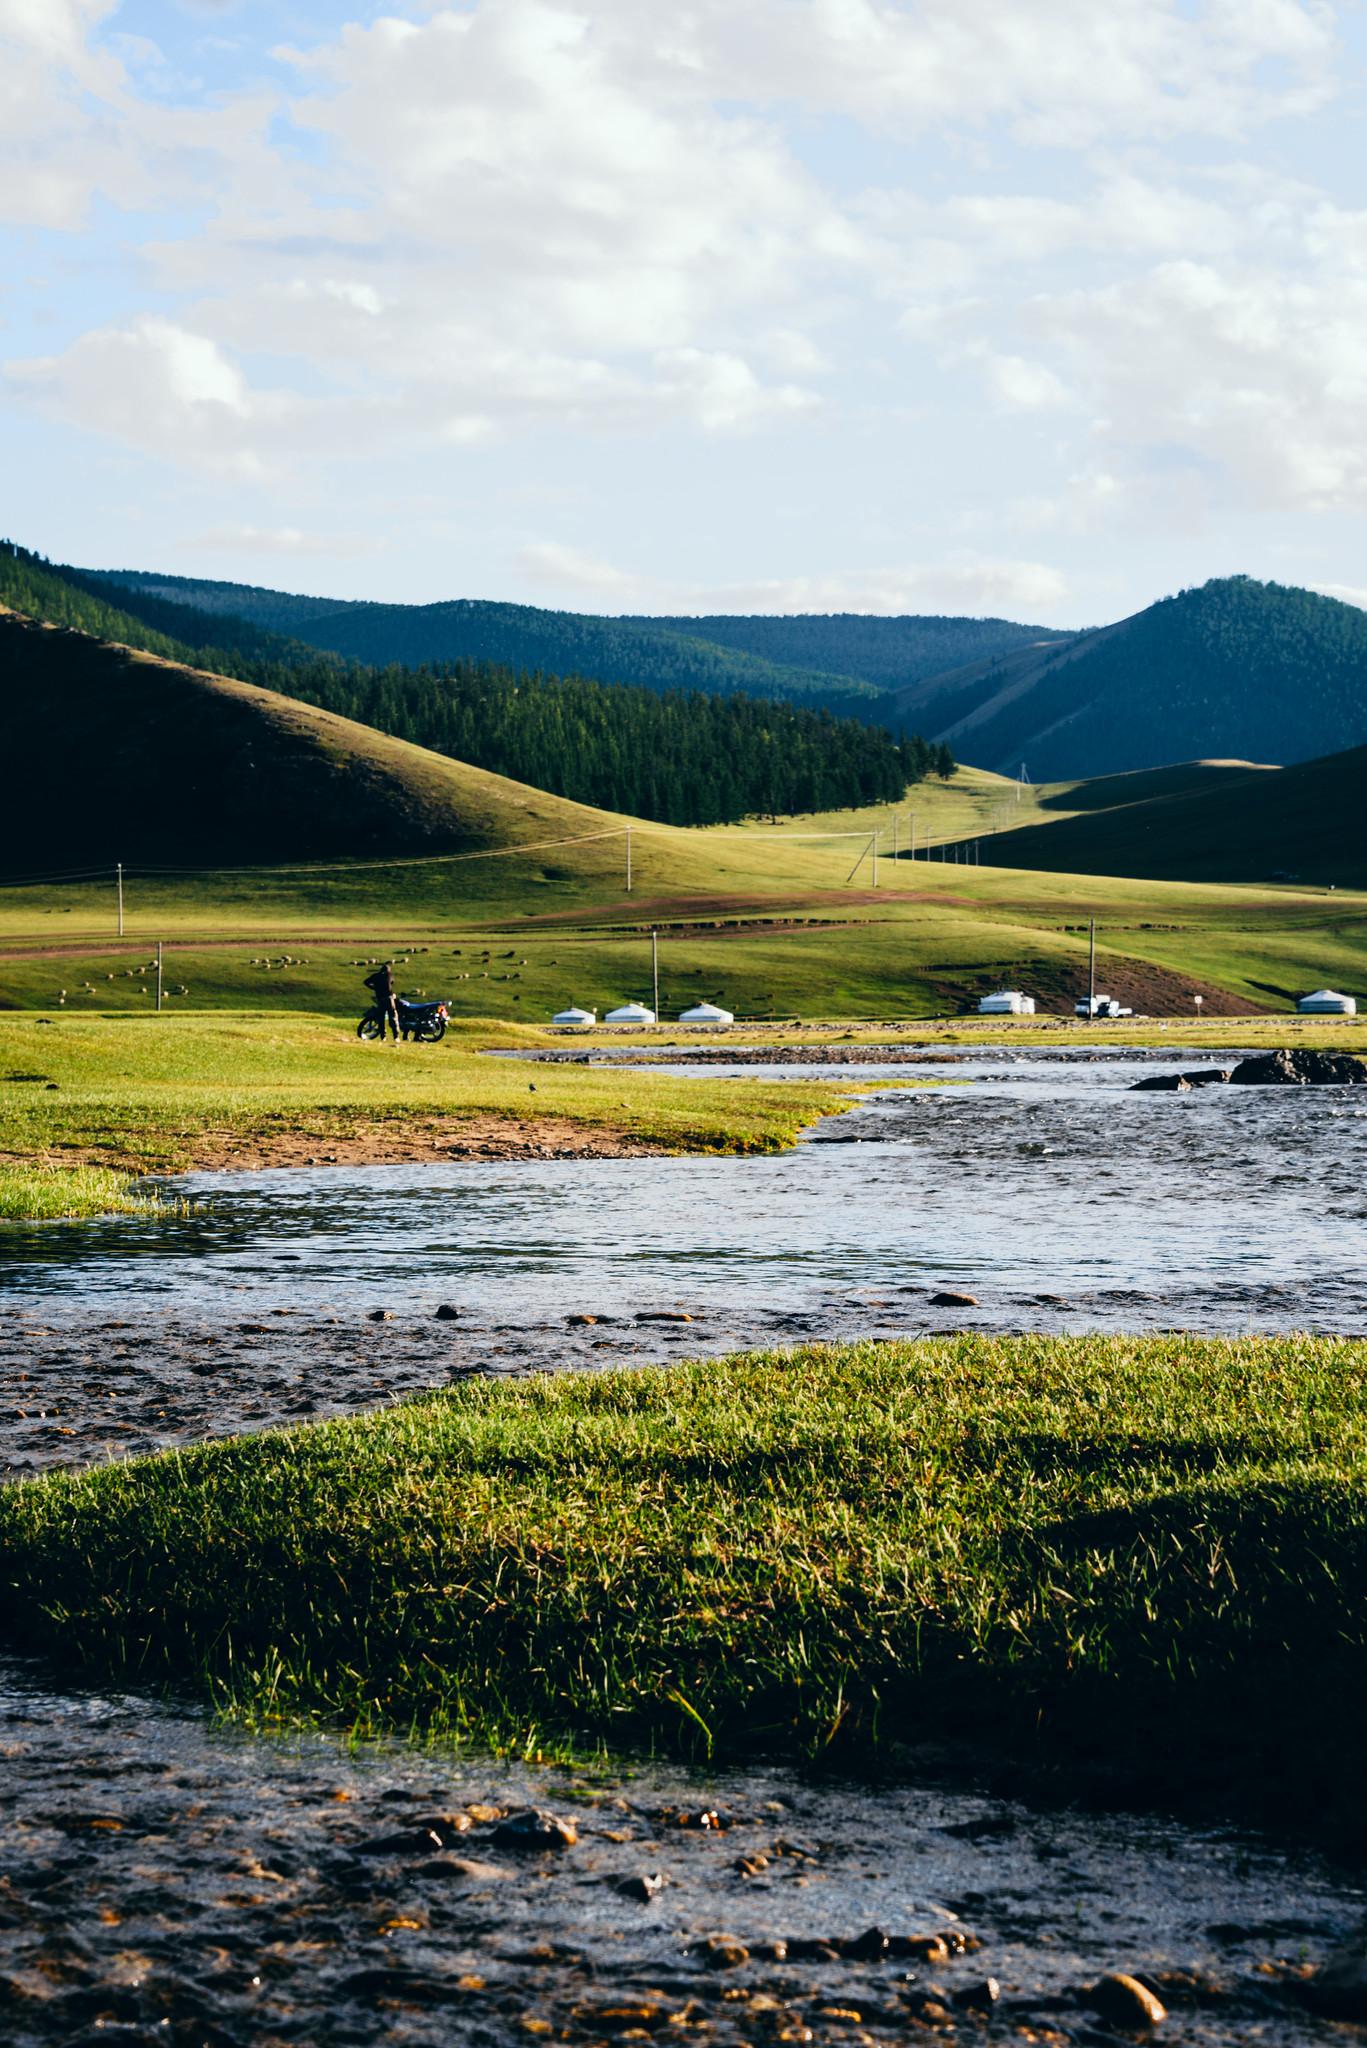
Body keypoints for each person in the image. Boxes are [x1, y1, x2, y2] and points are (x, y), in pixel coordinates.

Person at [362, 961, 400, 1043]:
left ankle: (383, 1037)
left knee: (381, 1018)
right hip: (389, 999)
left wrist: (374, 988)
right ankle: (396, 1037)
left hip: (380, 999)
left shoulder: (376, 976)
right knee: (393, 1017)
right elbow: (392, 983)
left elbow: (365, 982)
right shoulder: (390, 975)